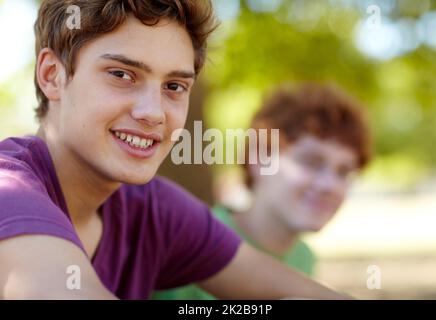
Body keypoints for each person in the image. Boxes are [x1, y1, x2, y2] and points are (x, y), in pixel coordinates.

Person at [0, 1, 345, 299]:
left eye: (174, 86)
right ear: (51, 75)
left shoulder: (154, 210)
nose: (153, 112)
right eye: (121, 74)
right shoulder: (9, 191)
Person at [153, 83, 372, 299]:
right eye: (311, 162)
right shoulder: (188, 244)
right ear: (260, 157)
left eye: (343, 172)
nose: (329, 185)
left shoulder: (303, 257)